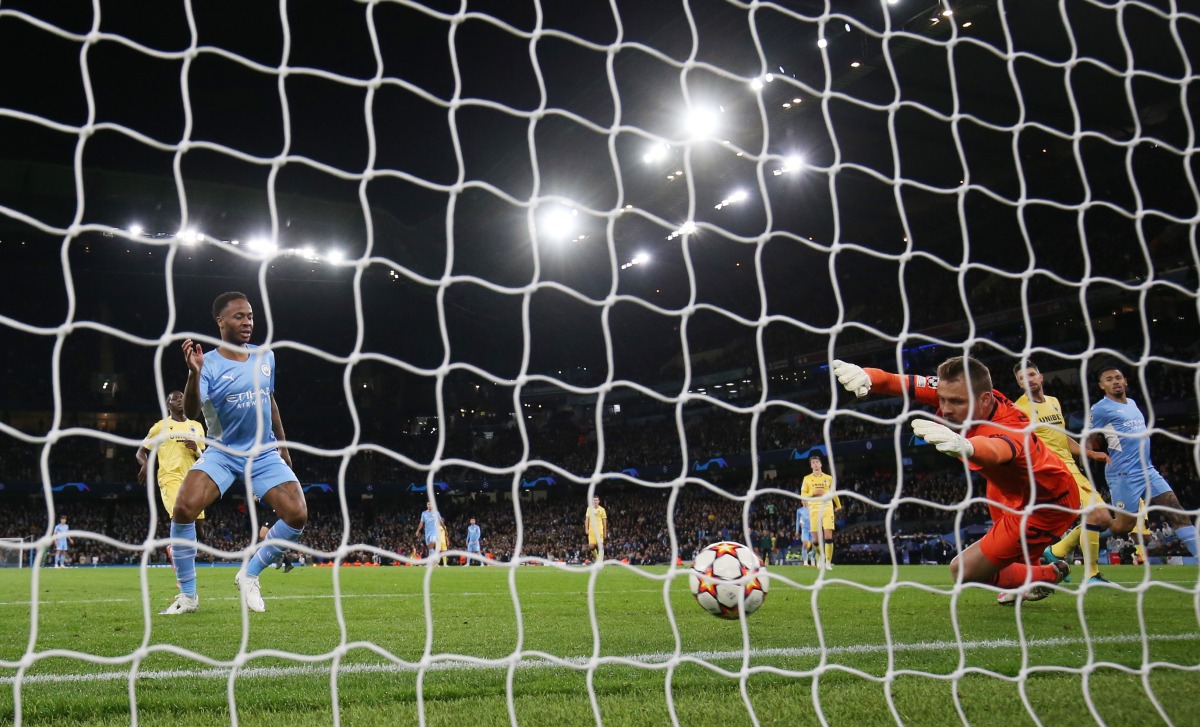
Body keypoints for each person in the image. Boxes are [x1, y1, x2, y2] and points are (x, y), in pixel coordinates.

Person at [832, 356, 1078, 604]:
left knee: (962, 571)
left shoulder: (1011, 428)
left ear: (984, 399)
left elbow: (994, 450)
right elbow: (898, 381)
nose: (945, 409)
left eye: (956, 402)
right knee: (996, 496)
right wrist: (868, 376)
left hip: (1048, 504)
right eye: (942, 399)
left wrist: (968, 445)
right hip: (1011, 488)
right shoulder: (960, 392)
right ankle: (1026, 573)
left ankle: (1049, 574)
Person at [160, 291, 308, 615]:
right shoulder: (208, 363)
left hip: (263, 451)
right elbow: (191, 411)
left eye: (251, 316)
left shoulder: (266, 356)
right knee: (183, 508)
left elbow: (270, 400)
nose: (247, 322)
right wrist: (193, 374)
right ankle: (188, 596)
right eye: (239, 316)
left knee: (297, 513)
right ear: (220, 321)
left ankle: (249, 574)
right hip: (223, 452)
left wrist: (281, 443)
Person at [1012, 362, 1114, 584]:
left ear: (1041, 377)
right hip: (1052, 471)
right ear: (1019, 384)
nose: (1028, 380)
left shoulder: (1054, 402)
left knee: (1104, 518)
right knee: (1096, 515)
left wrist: (1090, 453)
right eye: (1022, 378)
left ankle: (1057, 551)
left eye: (1031, 374)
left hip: (1071, 467)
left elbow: (1062, 438)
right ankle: (1092, 575)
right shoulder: (1018, 410)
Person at [1088, 365, 1198, 558]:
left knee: (1176, 510)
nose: (1115, 382)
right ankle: (1080, 536)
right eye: (1109, 379)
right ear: (1101, 385)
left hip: (1148, 470)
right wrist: (1091, 455)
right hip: (1123, 474)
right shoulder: (1100, 409)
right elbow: (1087, 437)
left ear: (1125, 381)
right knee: (1123, 527)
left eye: (1118, 378)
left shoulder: (1131, 403)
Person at [137, 389, 207, 573]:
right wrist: (145, 464)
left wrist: (196, 450)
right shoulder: (160, 427)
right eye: (175, 399)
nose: (180, 400)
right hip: (170, 477)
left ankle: (175, 549)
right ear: (168, 404)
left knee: (199, 529)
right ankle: (179, 560)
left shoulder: (197, 427)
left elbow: (203, 456)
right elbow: (140, 451)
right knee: (181, 515)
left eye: (182, 398)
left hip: (193, 478)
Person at [800, 455, 841, 570]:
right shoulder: (807, 479)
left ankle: (828, 562)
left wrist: (838, 505)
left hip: (827, 507)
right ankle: (820, 556)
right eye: (813, 463)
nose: (816, 464)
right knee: (816, 540)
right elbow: (803, 495)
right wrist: (813, 493)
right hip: (814, 508)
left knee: (828, 535)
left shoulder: (829, 478)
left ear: (821, 464)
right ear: (811, 465)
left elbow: (834, 493)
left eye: (817, 462)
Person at [585, 495, 608, 561]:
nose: (595, 501)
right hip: (592, 530)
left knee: (600, 545)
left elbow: (604, 522)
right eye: (594, 500)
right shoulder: (589, 509)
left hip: (599, 530)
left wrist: (605, 532)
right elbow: (587, 519)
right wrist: (586, 529)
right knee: (591, 546)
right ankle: (597, 558)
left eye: (596, 500)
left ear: (599, 501)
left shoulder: (602, 509)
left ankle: (600, 561)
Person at [794, 502, 815, 566]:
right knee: (805, 544)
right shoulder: (799, 510)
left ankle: (812, 558)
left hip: (813, 529)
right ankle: (805, 561)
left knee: (814, 545)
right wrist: (797, 530)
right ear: (802, 501)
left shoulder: (813, 508)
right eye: (803, 500)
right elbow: (797, 520)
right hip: (804, 529)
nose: (804, 501)